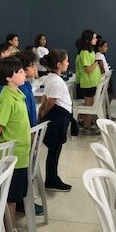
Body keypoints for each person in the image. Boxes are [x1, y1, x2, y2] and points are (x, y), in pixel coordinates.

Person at [0, 57, 33, 232]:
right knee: (9, 199)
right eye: (20, 72)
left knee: (15, 196)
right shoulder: (6, 98)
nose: (24, 74)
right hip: (11, 157)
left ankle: (12, 230)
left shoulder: (18, 95)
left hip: (21, 155)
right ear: (8, 77)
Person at [38, 48, 76, 192]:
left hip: (59, 116)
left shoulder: (51, 78)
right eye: (66, 61)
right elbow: (50, 101)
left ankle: (52, 177)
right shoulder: (56, 81)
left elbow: (45, 97)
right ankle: (52, 179)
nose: (68, 63)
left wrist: (42, 111)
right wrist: (43, 112)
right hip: (58, 118)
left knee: (55, 150)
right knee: (54, 150)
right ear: (59, 64)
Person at [75, 30, 102, 135]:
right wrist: (96, 62)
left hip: (92, 82)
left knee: (91, 104)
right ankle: (86, 127)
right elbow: (88, 69)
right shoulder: (84, 52)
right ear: (88, 40)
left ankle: (89, 123)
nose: (96, 40)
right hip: (87, 82)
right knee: (88, 105)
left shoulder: (91, 51)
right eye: (94, 38)